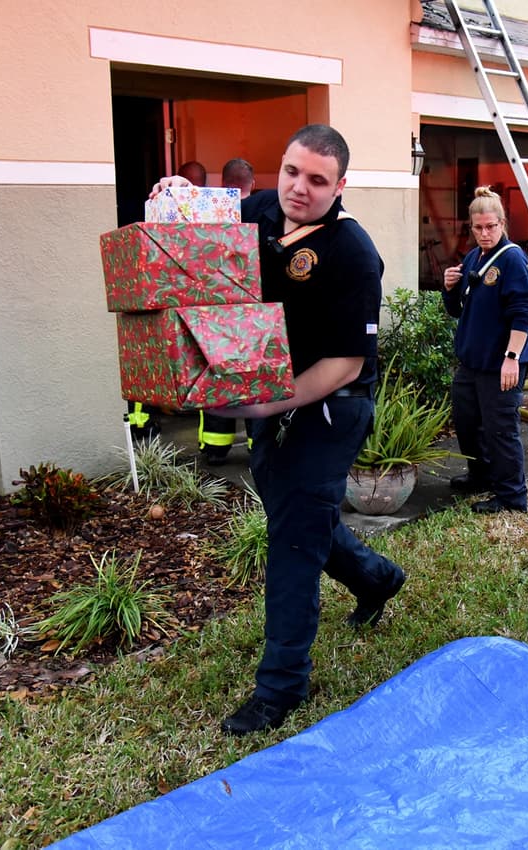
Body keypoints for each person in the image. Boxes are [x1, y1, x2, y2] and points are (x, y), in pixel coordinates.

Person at [153, 125, 406, 736]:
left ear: (340, 186)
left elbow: (346, 361)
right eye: (292, 171)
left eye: (318, 180)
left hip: (328, 404)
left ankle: (281, 686)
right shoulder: (261, 210)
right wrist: (174, 196)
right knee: (298, 515)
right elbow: (200, 236)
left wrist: (269, 405)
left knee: (292, 539)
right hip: (267, 398)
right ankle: (378, 578)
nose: (299, 188)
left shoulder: (352, 253)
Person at [441, 187, 528, 514]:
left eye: (491, 227)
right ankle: (480, 476)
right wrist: (449, 289)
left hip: (501, 363)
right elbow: (458, 311)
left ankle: (512, 495)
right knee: (467, 423)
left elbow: (525, 311)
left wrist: (511, 358)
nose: (484, 233)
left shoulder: (511, 259)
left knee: (500, 430)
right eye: (478, 227)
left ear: (502, 224)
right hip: (472, 362)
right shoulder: (473, 257)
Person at [197, 157, 259, 465]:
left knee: (218, 375)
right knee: (252, 377)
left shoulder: (212, 214)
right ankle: (255, 441)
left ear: (223, 184)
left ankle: (215, 447)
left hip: (218, 310)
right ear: (253, 183)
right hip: (253, 313)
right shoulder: (264, 216)